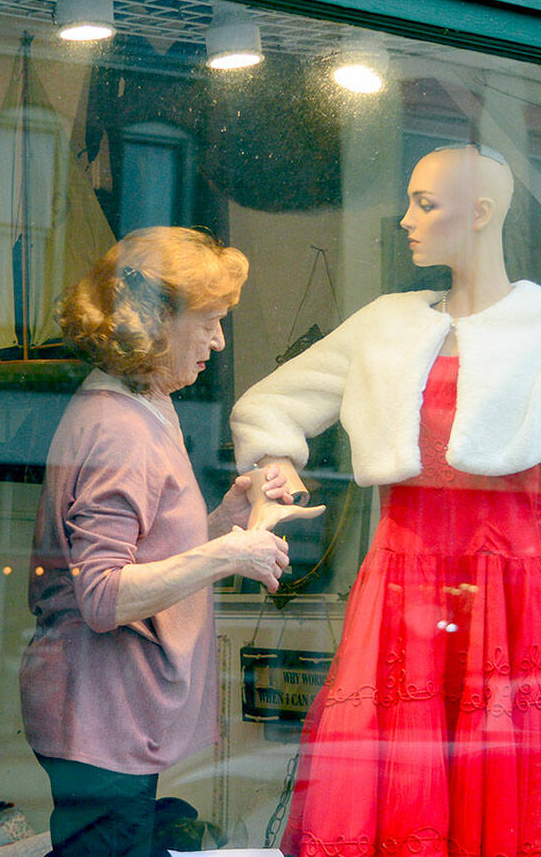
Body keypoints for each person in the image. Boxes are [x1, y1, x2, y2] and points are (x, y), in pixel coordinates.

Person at [231, 144, 541, 857]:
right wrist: (277, 464)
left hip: (507, 591)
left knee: (496, 782)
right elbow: (271, 404)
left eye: (426, 203)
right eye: (409, 200)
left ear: (481, 214)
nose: (406, 219)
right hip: (400, 585)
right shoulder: (387, 323)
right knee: (396, 778)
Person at [18, 226, 318, 857]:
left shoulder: (145, 399)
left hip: (110, 718)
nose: (219, 339)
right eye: (208, 320)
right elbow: (102, 597)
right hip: (100, 719)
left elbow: (141, 552)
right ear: (154, 321)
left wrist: (224, 521)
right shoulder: (119, 428)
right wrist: (231, 553)